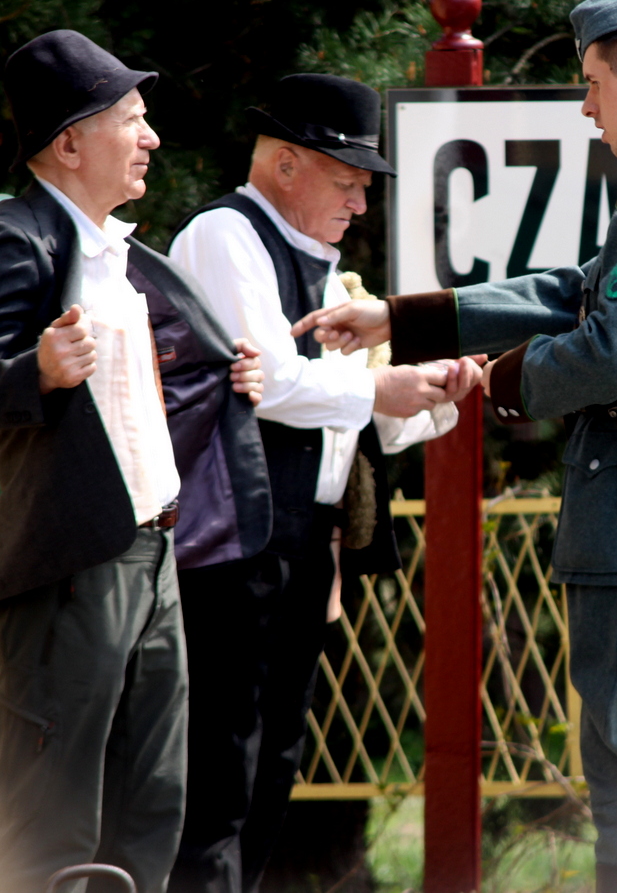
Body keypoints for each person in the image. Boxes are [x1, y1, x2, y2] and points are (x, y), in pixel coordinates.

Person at [293, 0, 617, 893]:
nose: (588, 106)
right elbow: (576, 289)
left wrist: (504, 380)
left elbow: (609, 351)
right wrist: (404, 319)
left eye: (594, 82)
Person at [0, 30, 267, 893]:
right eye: (131, 119)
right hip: (71, 570)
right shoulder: (14, 239)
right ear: (69, 144)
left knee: (150, 812)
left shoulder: (116, 249)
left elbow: (146, 388)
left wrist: (234, 373)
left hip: (154, 555)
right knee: (48, 830)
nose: (151, 137)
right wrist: (32, 371)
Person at [165, 73, 481, 893]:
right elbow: (272, 382)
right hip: (234, 543)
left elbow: (353, 415)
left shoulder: (319, 266)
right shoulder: (225, 235)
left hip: (298, 542)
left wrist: (432, 393)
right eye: (347, 182)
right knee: (223, 765)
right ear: (286, 165)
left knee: (273, 761)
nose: (361, 205)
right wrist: (382, 388)